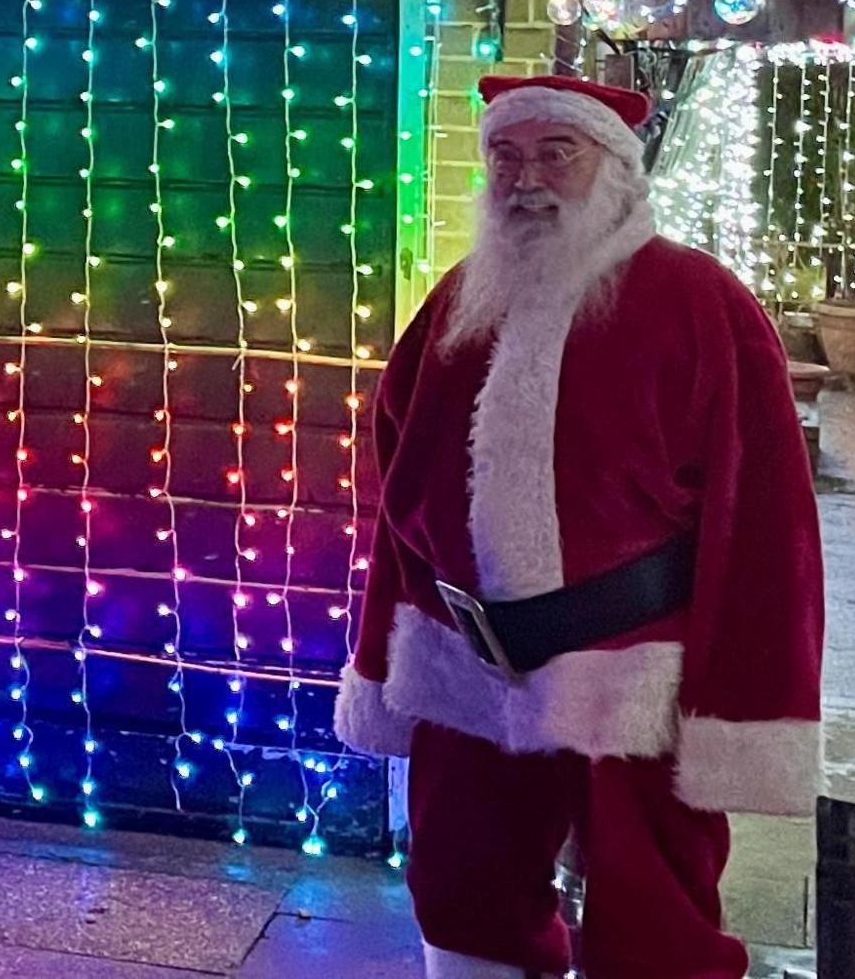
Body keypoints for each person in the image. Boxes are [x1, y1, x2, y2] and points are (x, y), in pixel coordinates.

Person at [333, 73, 825, 978]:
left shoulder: (700, 301)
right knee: (462, 893)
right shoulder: (455, 304)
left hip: (632, 670)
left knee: (654, 918)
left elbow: (766, 527)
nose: (526, 177)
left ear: (618, 168)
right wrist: (382, 652)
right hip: (464, 665)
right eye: (505, 155)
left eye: (557, 152)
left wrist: (749, 705)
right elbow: (399, 492)